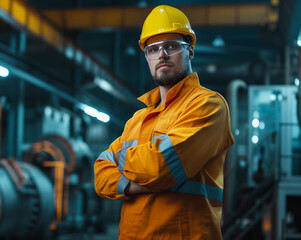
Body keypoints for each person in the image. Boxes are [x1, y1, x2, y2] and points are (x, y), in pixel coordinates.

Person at [94, 5, 234, 240]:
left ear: (190, 51)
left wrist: (120, 158)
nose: (162, 54)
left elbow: (163, 165)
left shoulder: (208, 105)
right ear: (147, 57)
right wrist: (136, 184)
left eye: (172, 46)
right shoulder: (137, 119)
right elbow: (100, 174)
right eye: (153, 49)